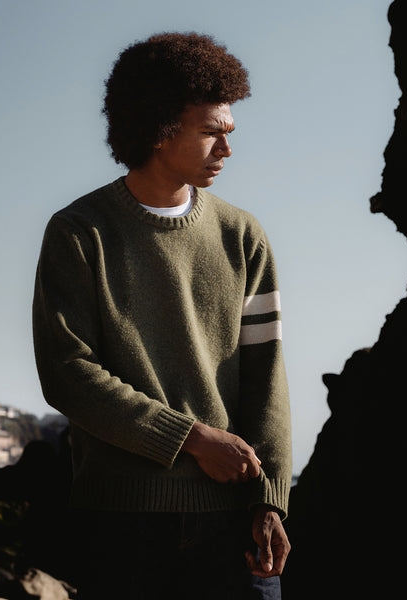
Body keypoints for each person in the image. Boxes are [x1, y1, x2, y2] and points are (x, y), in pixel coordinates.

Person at [32, 32, 292, 599]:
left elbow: (266, 377)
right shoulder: (79, 233)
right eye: (210, 133)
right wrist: (193, 439)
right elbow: (68, 374)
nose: (226, 150)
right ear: (157, 127)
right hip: (120, 527)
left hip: (233, 527)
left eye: (228, 133)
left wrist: (270, 499)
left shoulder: (243, 236)